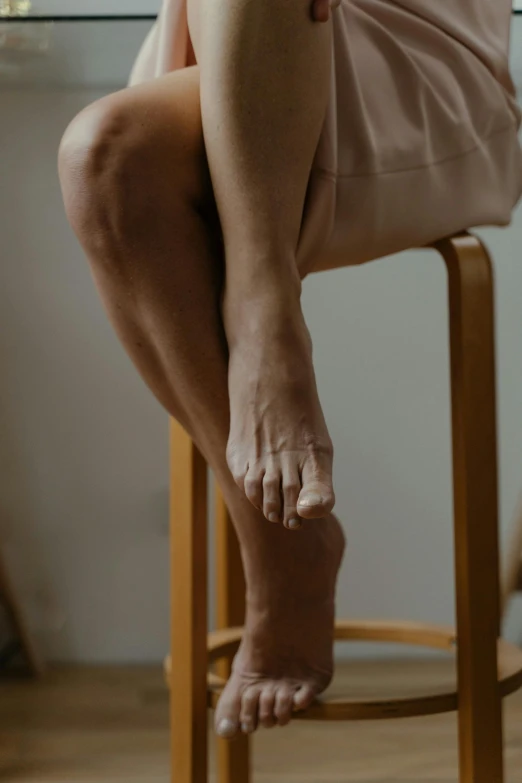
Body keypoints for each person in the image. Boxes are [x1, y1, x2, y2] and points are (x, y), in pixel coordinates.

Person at [58, 0, 522, 739]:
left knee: (116, 160)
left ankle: (262, 307)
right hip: (227, 45)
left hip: (421, 64)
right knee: (103, 158)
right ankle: (283, 544)